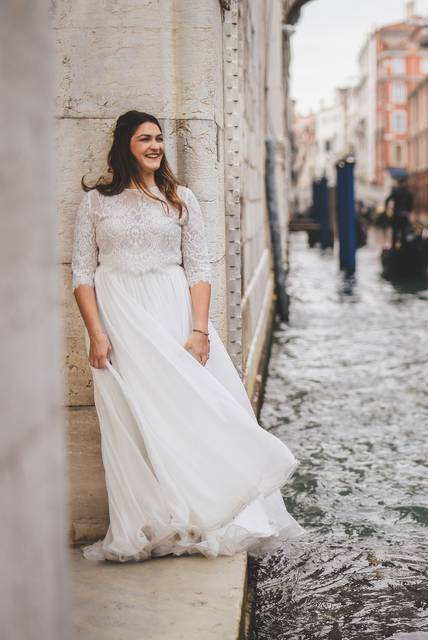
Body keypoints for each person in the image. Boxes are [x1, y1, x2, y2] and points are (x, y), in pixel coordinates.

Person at [71, 111, 303, 561]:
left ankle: (200, 513)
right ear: (125, 146)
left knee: (188, 412)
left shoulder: (180, 198)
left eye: (159, 138)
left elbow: (198, 268)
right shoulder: (97, 201)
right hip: (118, 320)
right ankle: (149, 523)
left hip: (172, 313)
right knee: (132, 422)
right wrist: (95, 332)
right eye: (145, 139)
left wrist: (199, 331)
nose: (156, 146)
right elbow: (82, 272)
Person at [385, 177, 414, 248]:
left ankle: (394, 249)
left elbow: (387, 200)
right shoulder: (408, 192)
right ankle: (403, 249)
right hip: (404, 216)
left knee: (395, 233)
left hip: (396, 216)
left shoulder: (395, 191)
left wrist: (388, 209)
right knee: (404, 233)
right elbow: (411, 205)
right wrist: (408, 211)